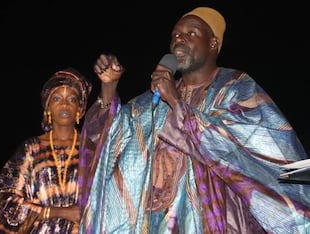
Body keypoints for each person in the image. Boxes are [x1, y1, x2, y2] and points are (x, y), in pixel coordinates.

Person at [78, 6, 310, 234]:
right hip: (155, 221)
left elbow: (262, 152)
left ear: (212, 44)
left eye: (191, 33)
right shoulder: (152, 101)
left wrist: (176, 102)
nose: (180, 39)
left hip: (215, 217)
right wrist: (109, 86)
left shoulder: (236, 87)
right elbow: (110, 137)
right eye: (176, 35)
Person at [0, 67, 92, 233]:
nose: (64, 104)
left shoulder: (90, 149)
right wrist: (58, 212)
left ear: (80, 109)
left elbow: (105, 199)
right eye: (56, 98)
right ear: (47, 108)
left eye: (72, 99)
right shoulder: (31, 149)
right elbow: (6, 201)